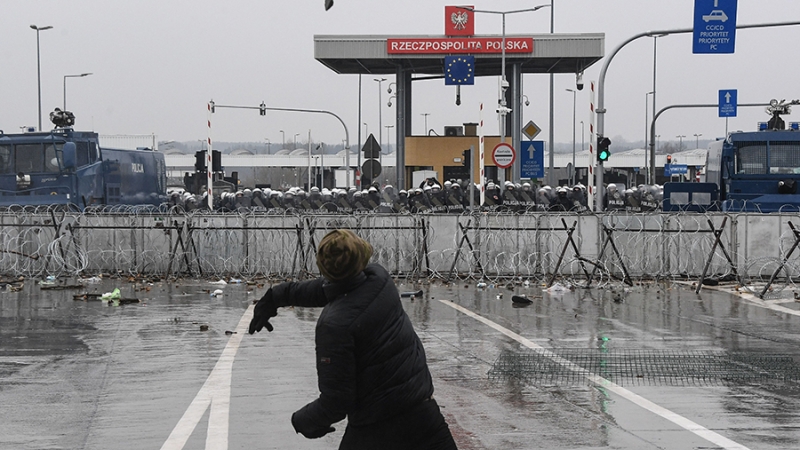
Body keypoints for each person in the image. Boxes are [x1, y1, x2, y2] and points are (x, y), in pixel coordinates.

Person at [249, 229, 458, 450]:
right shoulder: (379, 279)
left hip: (375, 428)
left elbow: (337, 401)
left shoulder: (334, 325)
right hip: (422, 413)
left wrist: (303, 421)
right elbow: (327, 289)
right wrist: (276, 297)